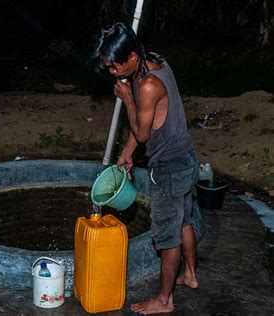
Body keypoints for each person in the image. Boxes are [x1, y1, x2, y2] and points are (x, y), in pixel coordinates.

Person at [94, 23, 200, 314]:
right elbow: (150, 123)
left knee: (168, 237)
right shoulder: (155, 62)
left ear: (130, 57)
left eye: (115, 66)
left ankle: (164, 300)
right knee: (184, 221)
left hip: (169, 168)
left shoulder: (148, 85)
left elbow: (142, 133)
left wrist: (127, 97)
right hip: (187, 159)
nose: (112, 73)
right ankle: (190, 274)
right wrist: (127, 153)